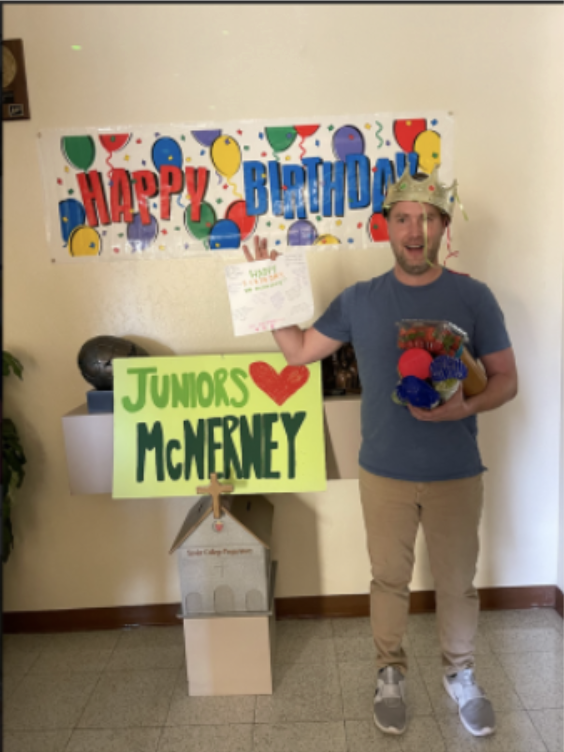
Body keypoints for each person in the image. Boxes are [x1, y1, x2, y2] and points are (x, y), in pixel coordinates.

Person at [242, 165, 518, 738]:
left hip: (455, 472)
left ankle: (460, 674)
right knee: (387, 580)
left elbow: (505, 381)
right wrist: (264, 286)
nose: (414, 230)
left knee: (457, 583)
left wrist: (463, 409)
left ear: (443, 224)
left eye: (426, 218)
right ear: (385, 227)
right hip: (384, 474)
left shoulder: (474, 297)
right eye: (402, 219)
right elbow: (296, 353)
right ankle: (388, 673)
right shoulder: (359, 300)